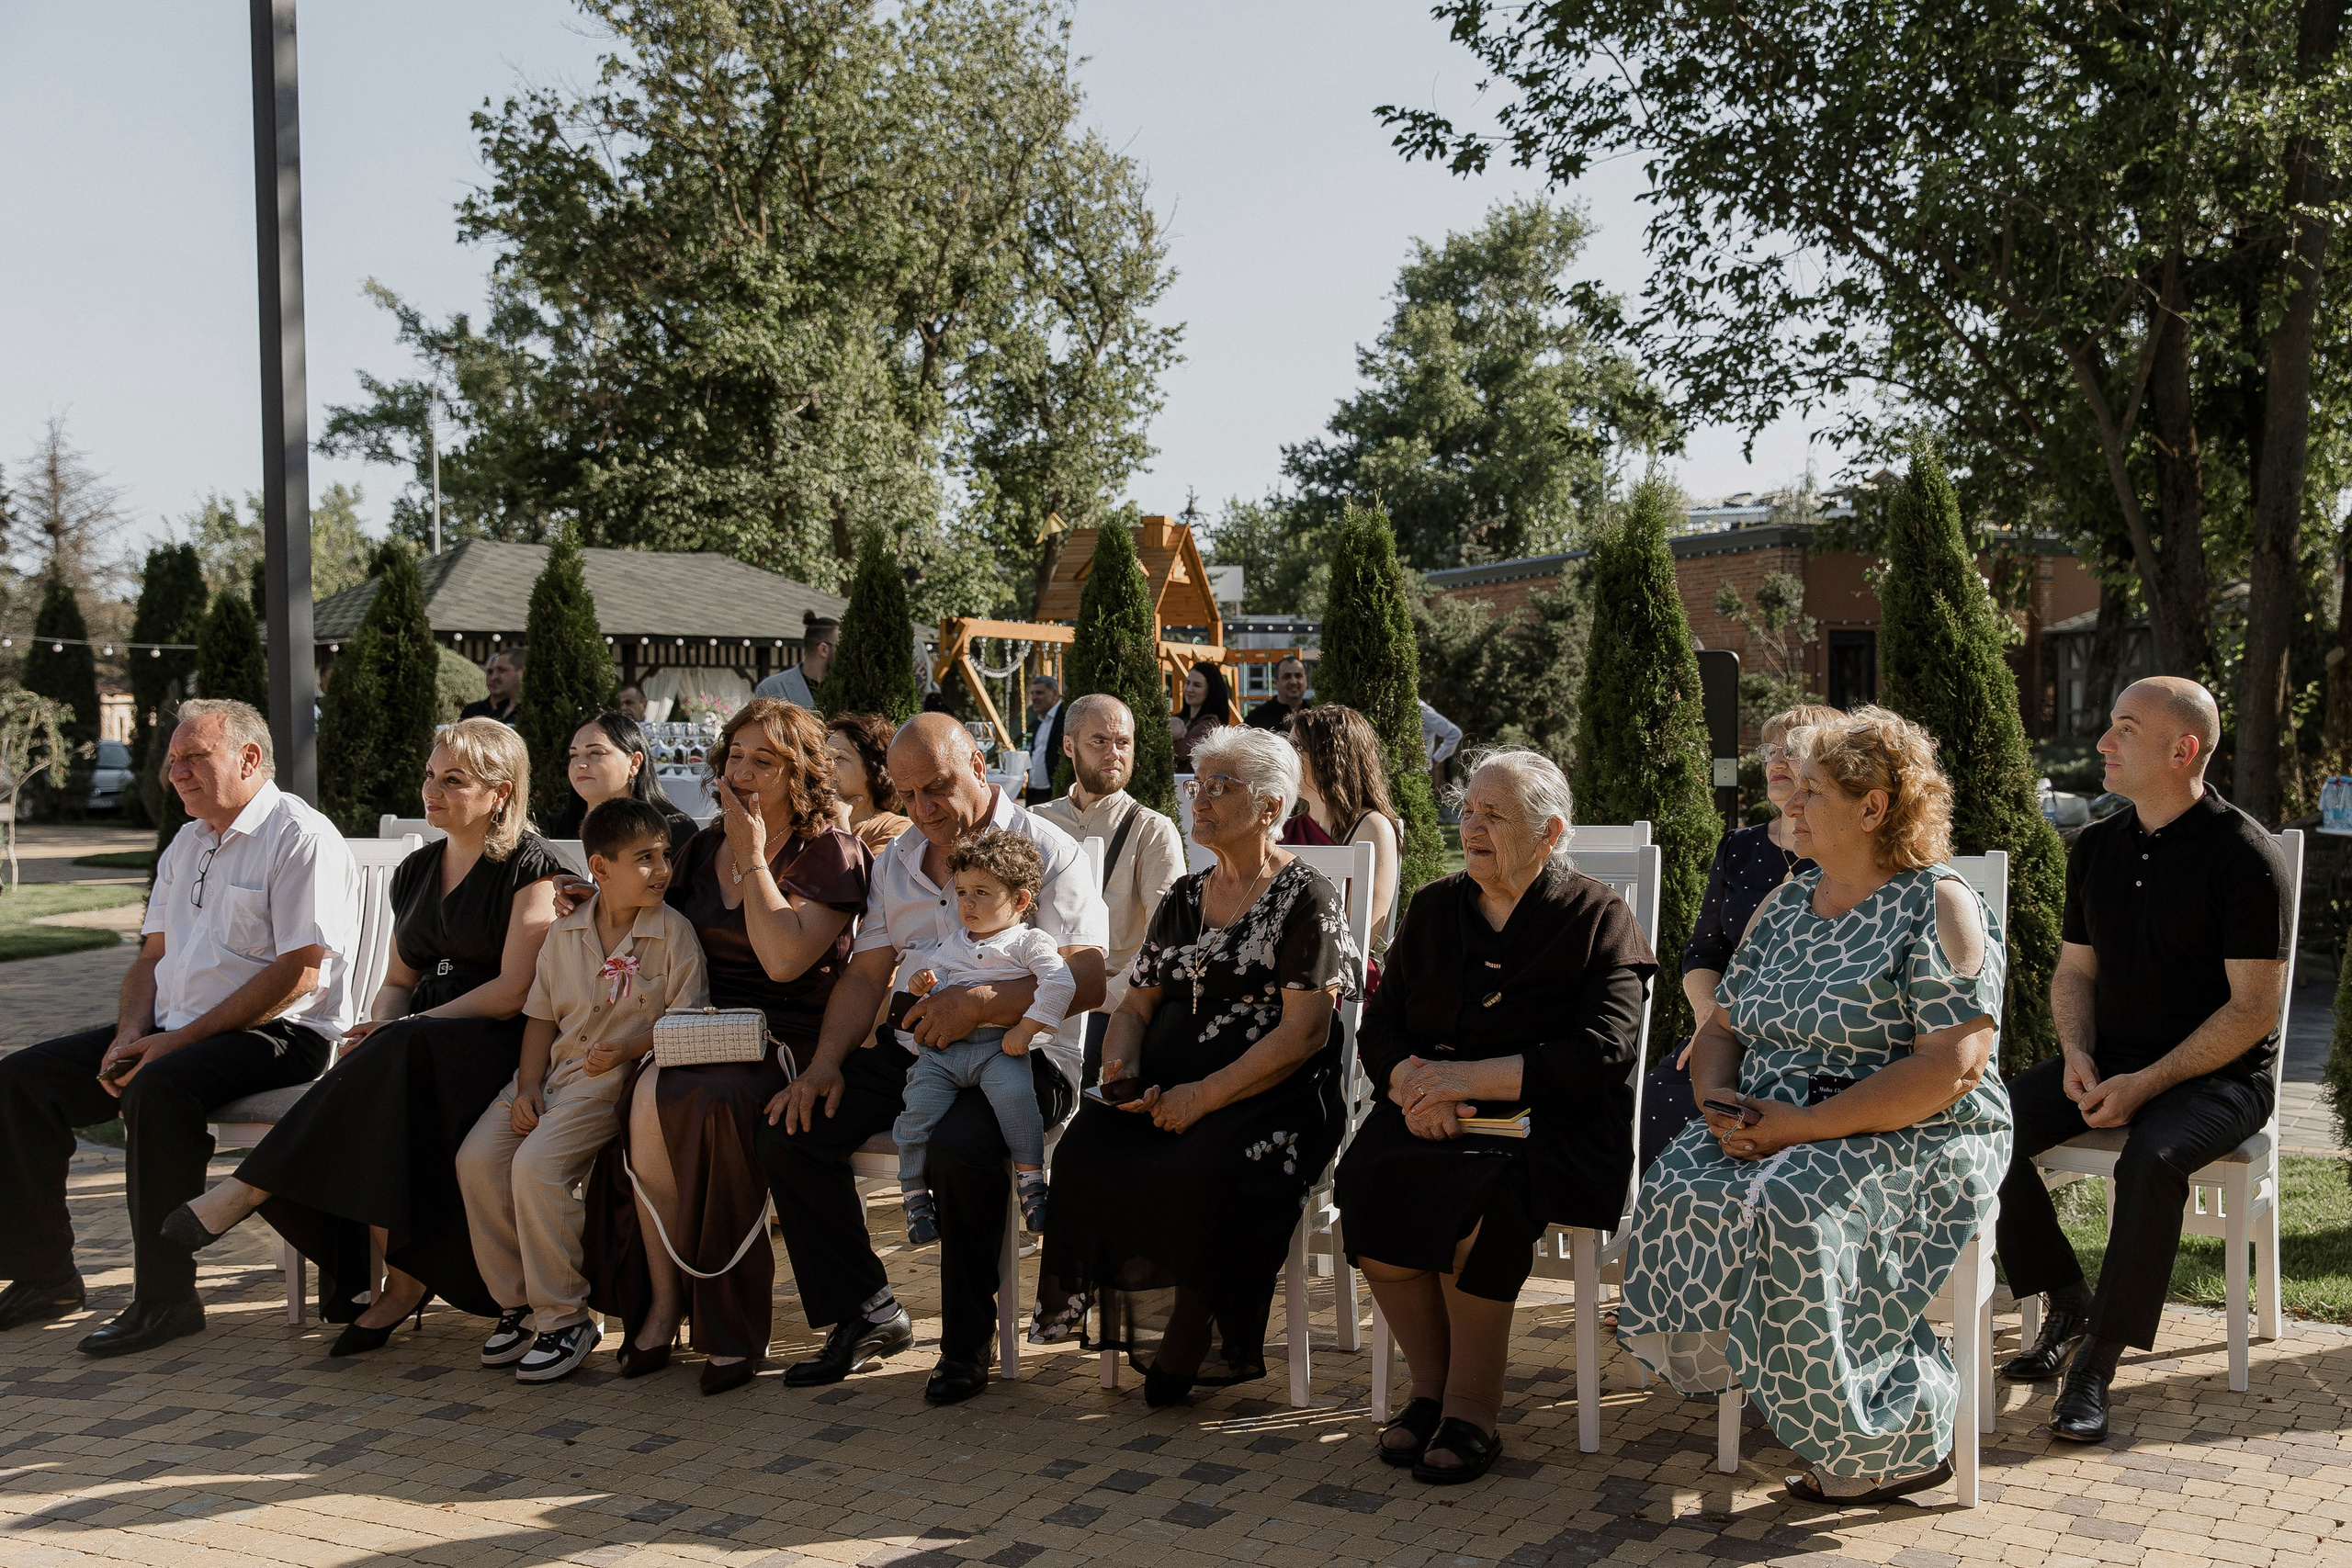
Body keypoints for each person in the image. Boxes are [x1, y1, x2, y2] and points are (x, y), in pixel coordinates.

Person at [1618, 707, 2008, 1506]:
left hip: (1915, 1126)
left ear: (1875, 807)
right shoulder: (1784, 904)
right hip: (1776, 1117)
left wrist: (1804, 1127)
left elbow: (1953, 1066)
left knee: (1795, 1207)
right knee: (1681, 1184)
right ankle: (1806, 1393)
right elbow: (1722, 1026)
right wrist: (1721, 1104)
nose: (1790, 806)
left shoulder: (1938, 904)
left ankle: (1897, 1430)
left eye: (1813, 792)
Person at [159, 719, 566, 1353]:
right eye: (431, 775)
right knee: (381, 1070)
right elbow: (399, 978)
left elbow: (516, 989)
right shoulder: (420, 868)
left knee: (392, 1055)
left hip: (496, 1040)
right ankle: (396, 1284)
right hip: (419, 1045)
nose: (432, 790)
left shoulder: (531, 868)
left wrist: (406, 1025)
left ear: (501, 792)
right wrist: (383, 1017)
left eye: (453, 780)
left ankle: (253, 1188)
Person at [763, 713, 1107, 1406]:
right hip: (917, 1050)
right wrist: (826, 1061)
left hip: (1026, 1055)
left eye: (939, 788)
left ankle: (965, 1343)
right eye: (910, 794)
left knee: (960, 1144)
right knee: (791, 1125)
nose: (923, 809)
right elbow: (865, 975)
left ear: (979, 766)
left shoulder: (1049, 849)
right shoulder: (897, 862)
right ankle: (865, 1310)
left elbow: (1091, 977)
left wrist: (981, 1002)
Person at [0, 700, 359, 1355]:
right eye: (173, 760)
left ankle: (167, 1300)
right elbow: (151, 957)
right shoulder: (189, 838)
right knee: (21, 1081)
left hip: (282, 1033)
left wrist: (171, 1044)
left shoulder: (300, 836)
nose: (177, 773)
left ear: (250, 758)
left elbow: (301, 974)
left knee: (158, 1086)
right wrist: (127, 1034)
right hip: (175, 1026)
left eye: (194, 756)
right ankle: (45, 1275)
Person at [1336, 749, 1655, 1483]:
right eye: (1468, 810)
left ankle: (1472, 1406)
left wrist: (1461, 1079)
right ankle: (1430, 1389)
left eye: (1494, 814)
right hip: (1426, 1115)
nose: (1471, 826)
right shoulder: (1433, 907)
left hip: (1552, 1125)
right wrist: (1412, 1083)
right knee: (1367, 1182)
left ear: (1549, 832)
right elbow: (1379, 1027)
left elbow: (1604, 1051)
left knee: (1483, 1202)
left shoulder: (1597, 914)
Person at [1995, 676, 2290, 1442]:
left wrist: (2147, 1083)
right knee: (1982, 1120)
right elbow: (2074, 972)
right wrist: (2078, 1054)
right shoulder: (2095, 844)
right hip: (2112, 1056)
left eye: (2124, 729)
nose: (2103, 742)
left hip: (2221, 1077)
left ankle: (2096, 1361)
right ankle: (2066, 1294)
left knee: (2151, 1158)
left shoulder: (2248, 857)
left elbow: (2253, 1010)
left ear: (2182, 749)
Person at [1034, 726, 1362, 1408]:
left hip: (1273, 1095)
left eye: (1221, 786)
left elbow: (1304, 1035)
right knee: (1089, 1148)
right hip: (1166, 1087)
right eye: (1197, 784)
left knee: (1207, 1163)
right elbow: (1134, 1004)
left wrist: (1202, 1095)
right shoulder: (1183, 897)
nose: (1200, 799)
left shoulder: (1307, 897)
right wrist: (1120, 1069)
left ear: (1270, 807)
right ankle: (1133, 1314)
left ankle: (1191, 1324)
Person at [582, 697, 870, 1395]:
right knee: (644, 1095)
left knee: (712, 1102)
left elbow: (782, 961)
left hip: (789, 1040)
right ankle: (661, 1301)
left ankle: (730, 1323)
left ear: (799, 774)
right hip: (701, 1028)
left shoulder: (830, 852)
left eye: (762, 760)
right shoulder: (702, 847)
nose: (741, 770)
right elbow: (654, 923)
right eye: (734, 755)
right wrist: (591, 899)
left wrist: (752, 856)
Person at [456, 798, 709, 1384]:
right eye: (643, 859)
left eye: (665, 855)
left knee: (537, 1168)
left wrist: (625, 1049)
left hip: (613, 1085)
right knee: (478, 1160)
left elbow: (686, 1020)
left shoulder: (674, 935)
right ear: (600, 866)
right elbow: (540, 1018)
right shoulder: (564, 931)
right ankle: (519, 1302)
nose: (662, 870)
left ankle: (565, 1317)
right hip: (552, 1076)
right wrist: (525, 1088)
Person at [1637, 703, 1838, 1171]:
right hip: (1730, 1022)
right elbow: (1704, 952)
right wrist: (1712, 1022)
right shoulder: (1740, 847)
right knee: (1665, 1089)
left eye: (1791, 751)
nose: (1774, 762)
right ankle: (1670, 1227)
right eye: (1769, 750)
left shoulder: (1842, 854)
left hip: (1804, 1033)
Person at [892, 830, 1076, 1243]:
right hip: (943, 1055)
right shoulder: (950, 944)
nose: (967, 904)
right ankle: (915, 1198)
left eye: (981, 892)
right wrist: (925, 985)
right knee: (914, 1115)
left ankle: (1032, 1183)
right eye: (960, 893)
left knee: (1017, 1103)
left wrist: (1027, 1028)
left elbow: (1061, 982)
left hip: (998, 1047)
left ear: (1021, 901)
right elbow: (940, 992)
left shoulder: (1029, 941)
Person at [1035, 694, 1186, 1082]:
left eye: (1123, 743)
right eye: (1099, 741)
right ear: (1069, 745)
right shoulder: (1036, 822)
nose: (1114, 753)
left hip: (1109, 1002)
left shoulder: (1152, 830)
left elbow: (1166, 936)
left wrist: (1102, 999)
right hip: (1031, 990)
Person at [1283, 705, 1403, 956]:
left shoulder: (1372, 828)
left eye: (1295, 746)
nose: (1284, 755)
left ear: (1328, 755)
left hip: (1337, 975)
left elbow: (1362, 938)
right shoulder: (1284, 827)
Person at [539, 712, 697, 852]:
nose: (580, 764)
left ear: (635, 762)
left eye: (595, 753)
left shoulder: (674, 829)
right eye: (574, 755)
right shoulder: (552, 830)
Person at [826, 711, 912, 854]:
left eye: (839, 757)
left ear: (874, 770)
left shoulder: (897, 830)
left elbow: (860, 877)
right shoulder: (811, 821)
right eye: (824, 757)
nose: (825, 765)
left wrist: (840, 826)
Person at [753, 613, 841, 709]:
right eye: (842, 645)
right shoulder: (772, 688)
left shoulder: (847, 688)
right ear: (823, 649)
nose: (847, 652)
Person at [1170, 663, 1231, 773]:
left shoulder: (1209, 724)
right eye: (1187, 683)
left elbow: (1180, 751)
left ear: (1211, 690)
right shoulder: (1182, 719)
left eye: (1197, 685)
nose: (1189, 689)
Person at [1243, 654, 1312, 731]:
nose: (1293, 682)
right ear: (1276, 682)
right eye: (1287, 676)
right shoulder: (1257, 718)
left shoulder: (1314, 713)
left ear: (1306, 680)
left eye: (1298, 676)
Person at [1024, 675, 1065, 805]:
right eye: (1032, 693)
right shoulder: (1038, 721)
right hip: (1035, 791)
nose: (1034, 697)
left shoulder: (1066, 717)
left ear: (1055, 694)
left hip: (1055, 793)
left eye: (1039, 693)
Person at [462, 647, 525, 724]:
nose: (494, 677)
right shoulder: (498, 710)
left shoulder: (536, 711)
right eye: (490, 672)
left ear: (522, 672)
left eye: (502, 670)